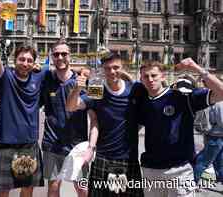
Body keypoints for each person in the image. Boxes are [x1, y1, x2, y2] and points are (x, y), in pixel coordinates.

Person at [0, 3, 49, 197]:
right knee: (4, 189)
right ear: (15, 60)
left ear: (34, 62)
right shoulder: (6, 77)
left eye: (30, 60)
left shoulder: (40, 76)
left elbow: (63, 74)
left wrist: (85, 72)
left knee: (27, 188)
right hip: (7, 142)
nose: (26, 63)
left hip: (29, 143)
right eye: (22, 59)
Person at [138, 59, 223, 197]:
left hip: (180, 170)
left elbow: (221, 92)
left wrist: (196, 68)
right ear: (141, 79)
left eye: (154, 75)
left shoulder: (183, 98)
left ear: (163, 76)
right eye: (146, 76)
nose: (150, 79)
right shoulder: (142, 102)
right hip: (151, 170)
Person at [67, 53, 145, 196]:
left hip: (128, 158)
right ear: (103, 70)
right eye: (108, 68)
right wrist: (77, 88)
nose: (112, 72)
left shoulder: (135, 90)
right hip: (104, 157)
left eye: (116, 67)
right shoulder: (98, 89)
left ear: (123, 68)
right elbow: (71, 107)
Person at [40, 39, 90, 197]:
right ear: (52, 57)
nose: (60, 57)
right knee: (54, 186)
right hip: (52, 142)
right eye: (56, 54)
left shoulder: (83, 80)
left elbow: (97, 108)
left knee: (82, 188)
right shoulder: (46, 78)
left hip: (77, 144)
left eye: (64, 54)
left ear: (70, 56)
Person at [194, 101, 223, 186]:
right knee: (203, 162)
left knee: (219, 161)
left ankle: (220, 179)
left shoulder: (215, 100)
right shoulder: (220, 102)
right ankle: (192, 182)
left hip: (214, 135)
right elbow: (221, 121)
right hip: (216, 136)